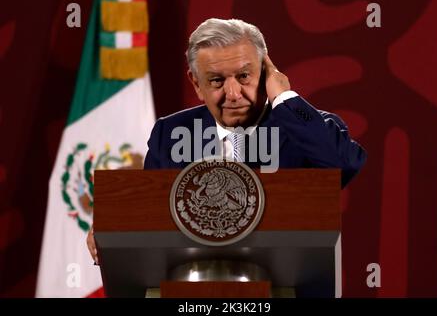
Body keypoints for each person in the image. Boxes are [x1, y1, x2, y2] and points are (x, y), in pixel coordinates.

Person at [87, 18, 367, 264]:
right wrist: (115, 222)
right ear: (197, 84)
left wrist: (282, 97)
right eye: (217, 81)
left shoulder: (308, 128)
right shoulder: (171, 133)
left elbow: (342, 164)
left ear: (266, 72)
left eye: (244, 76)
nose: (233, 93)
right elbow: (152, 213)